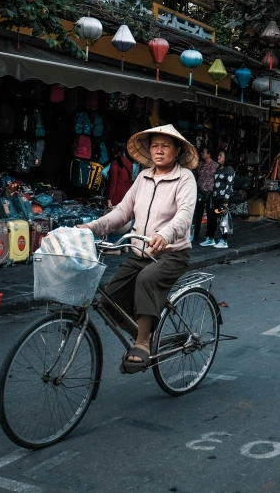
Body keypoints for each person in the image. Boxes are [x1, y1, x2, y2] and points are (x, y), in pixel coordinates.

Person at [79, 124, 197, 374]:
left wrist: (165, 235)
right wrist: (89, 228)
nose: (159, 150)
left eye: (166, 146)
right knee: (108, 300)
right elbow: (122, 212)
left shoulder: (185, 178)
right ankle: (147, 335)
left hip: (171, 253)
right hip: (140, 253)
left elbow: (185, 214)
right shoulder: (142, 177)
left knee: (146, 280)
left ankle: (142, 342)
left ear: (177, 150)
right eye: (155, 145)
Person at [200, 151, 235, 249]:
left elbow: (229, 186)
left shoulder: (229, 169)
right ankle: (210, 238)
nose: (218, 157)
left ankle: (223, 240)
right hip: (217, 198)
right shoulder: (219, 168)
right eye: (218, 155)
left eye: (221, 155)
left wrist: (226, 201)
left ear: (226, 157)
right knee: (212, 216)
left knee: (223, 218)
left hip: (224, 200)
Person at [192, 147, 218, 241]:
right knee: (198, 214)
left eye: (204, 152)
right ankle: (195, 235)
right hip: (200, 192)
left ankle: (208, 235)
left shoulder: (214, 165)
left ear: (209, 154)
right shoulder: (201, 164)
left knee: (210, 214)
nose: (202, 154)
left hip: (209, 192)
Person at [105, 143, 132, 208]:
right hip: (125, 198)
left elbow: (113, 183)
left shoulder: (114, 164)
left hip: (115, 198)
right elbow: (129, 181)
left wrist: (109, 200)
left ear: (113, 150)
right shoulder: (129, 163)